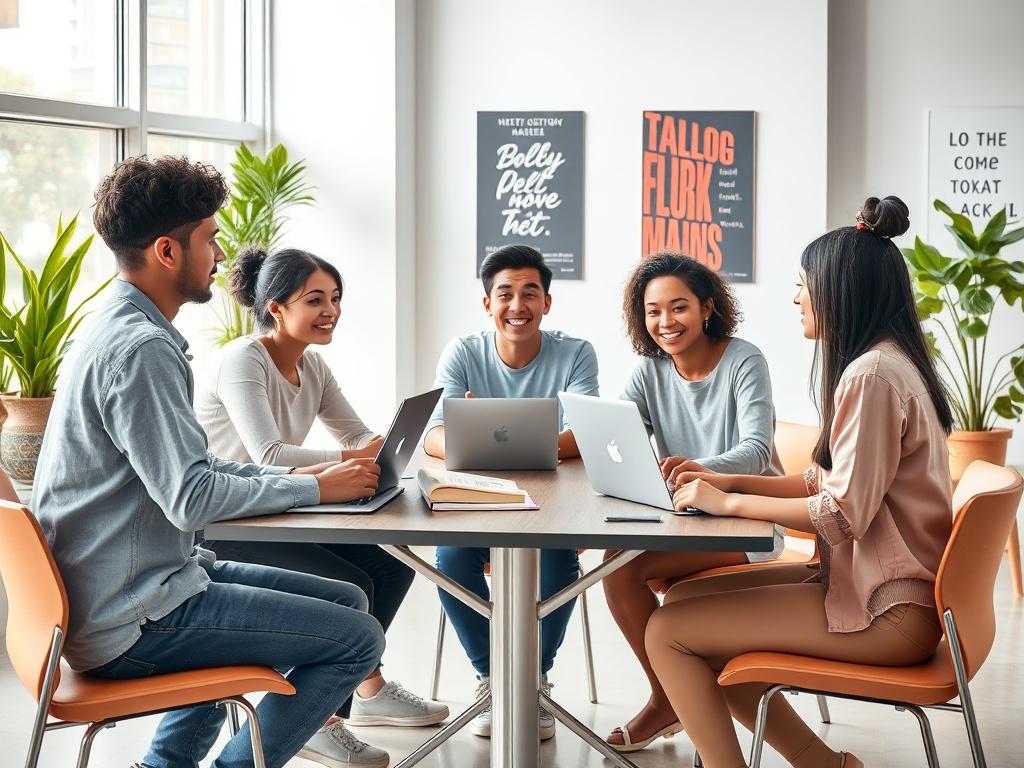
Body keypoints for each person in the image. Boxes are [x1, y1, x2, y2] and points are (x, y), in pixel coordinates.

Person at [33, 156, 393, 768]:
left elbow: (197, 468)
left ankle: (165, 765)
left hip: (145, 583)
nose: (222, 255)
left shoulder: (118, 329)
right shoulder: (143, 351)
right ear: (168, 252)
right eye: (211, 238)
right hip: (133, 616)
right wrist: (312, 489)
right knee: (360, 638)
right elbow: (192, 498)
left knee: (351, 602)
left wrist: (305, 478)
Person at [645, 196, 954, 768]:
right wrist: (719, 481)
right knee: (684, 600)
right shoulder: (887, 362)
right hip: (878, 593)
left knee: (668, 631)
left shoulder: (872, 376)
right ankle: (821, 763)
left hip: (889, 612)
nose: (796, 297)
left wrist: (729, 502)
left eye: (803, 284)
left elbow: (841, 515)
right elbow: (822, 479)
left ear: (840, 290)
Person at [196, 245, 448, 745]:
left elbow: (353, 435)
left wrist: (375, 447)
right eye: (315, 300)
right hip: (229, 521)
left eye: (335, 298)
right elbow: (267, 455)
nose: (330, 311)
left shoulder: (312, 367)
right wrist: (346, 460)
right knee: (347, 581)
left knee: (391, 567)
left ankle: (361, 691)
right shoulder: (243, 359)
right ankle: (316, 717)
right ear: (276, 307)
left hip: (283, 510)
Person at [602, 252, 784, 752]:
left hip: (748, 522)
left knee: (620, 569)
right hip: (683, 521)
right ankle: (674, 697)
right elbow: (619, 442)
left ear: (707, 308)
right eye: (653, 311)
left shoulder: (744, 360)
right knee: (616, 561)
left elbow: (757, 451)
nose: (666, 322)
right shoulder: (648, 372)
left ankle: (666, 702)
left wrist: (701, 471)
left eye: (678, 307)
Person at [422, 244, 599, 740]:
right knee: (450, 559)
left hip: (555, 502)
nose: (517, 305)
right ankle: (495, 677)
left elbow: (583, 434)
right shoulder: (462, 351)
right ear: (487, 304)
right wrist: (536, 447)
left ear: (547, 302)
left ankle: (531, 682)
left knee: (560, 562)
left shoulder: (577, 353)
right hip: (480, 498)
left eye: (530, 293)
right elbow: (433, 435)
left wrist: (481, 441)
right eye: (505, 294)